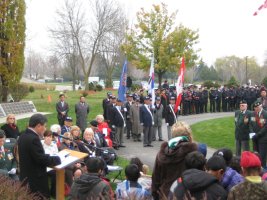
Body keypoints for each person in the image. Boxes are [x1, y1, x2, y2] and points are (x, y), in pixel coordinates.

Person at [18, 114, 61, 199]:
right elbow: (40, 159)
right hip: (35, 178)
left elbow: (35, 155)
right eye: (44, 126)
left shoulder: (23, 135)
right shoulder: (34, 138)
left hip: (25, 175)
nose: (45, 129)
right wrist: (57, 159)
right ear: (38, 126)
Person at [152, 121, 197, 199]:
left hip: (165, 195)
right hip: (187, 195)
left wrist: (156, 195)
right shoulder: (193, 153)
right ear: (189, 135)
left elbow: (156, 180)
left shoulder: (162, 153)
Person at [249, 101, 267, 168]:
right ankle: (256, 168)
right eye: (255, 107)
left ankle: (263, 170)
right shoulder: (252, 114)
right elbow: (250, 124)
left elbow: (265, 127)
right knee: (255, 154)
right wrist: (252, 132)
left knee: (262, 156)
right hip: (254, 137)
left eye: (258, 107)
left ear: (261, 106)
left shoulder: (265, 114)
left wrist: (258, 134)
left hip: (263, 138)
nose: (256, 108)